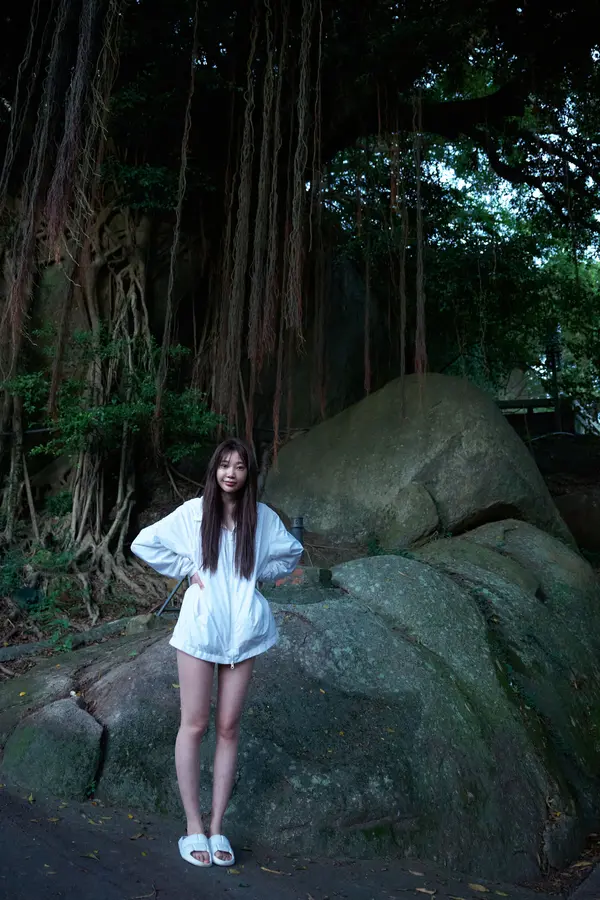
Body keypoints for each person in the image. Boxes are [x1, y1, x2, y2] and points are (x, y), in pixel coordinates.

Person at [131, 438, 303, 869]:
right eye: (225, 465)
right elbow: (144, 543)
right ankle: (193, 825)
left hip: (243, 629)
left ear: (249, 474)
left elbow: (291, 554)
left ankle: (216, 826)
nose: (231, 473)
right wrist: (187, 569)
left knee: (228, 727)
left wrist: (258, 574)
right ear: (215, 470)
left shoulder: (261, 518)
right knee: (195, 723)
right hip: (201, 625)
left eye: (239, 466)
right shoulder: (194, 513)